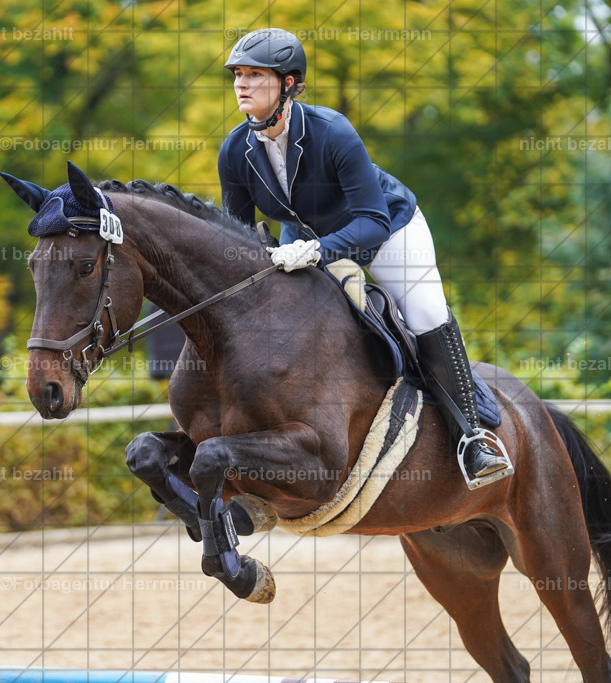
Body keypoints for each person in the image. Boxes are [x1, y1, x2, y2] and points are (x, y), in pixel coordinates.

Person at [218, 28, 511, 488]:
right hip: (305, 241)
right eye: (238, 74)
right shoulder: (236, 150)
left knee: (424, 312)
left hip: (386, 228)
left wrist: (318, 250)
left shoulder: (332, 131)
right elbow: (234, 237)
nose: (241, 84)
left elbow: (372, 220)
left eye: (255, 75)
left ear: (289, 83)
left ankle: (472, 438)